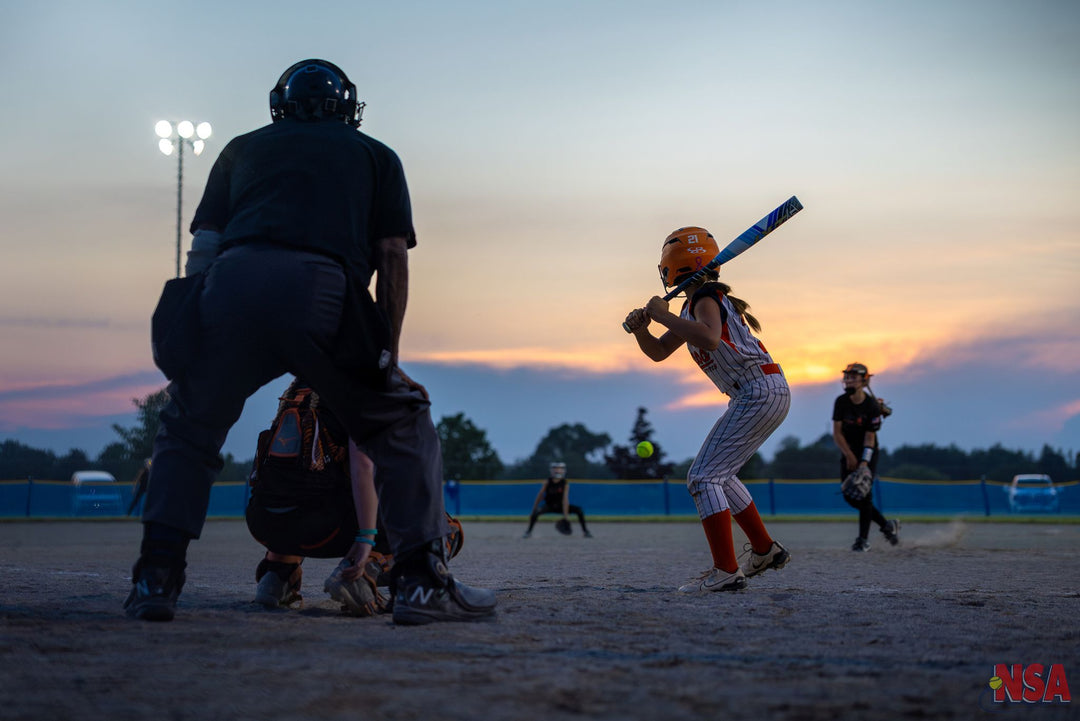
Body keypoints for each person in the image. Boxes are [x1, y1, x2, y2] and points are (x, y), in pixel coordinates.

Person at [124, 59, 495, 625]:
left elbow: (204, 247)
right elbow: (391, 257)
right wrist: (387, 359)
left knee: (188, 424)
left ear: (281, 106)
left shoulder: (241, 149)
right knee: (400, 421)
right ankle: (422, 583)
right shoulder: (375, 154)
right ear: (348, 108)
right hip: (321, 288)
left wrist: (194, 335)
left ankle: (156, 576)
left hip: (232, 283)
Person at [623, 226, 791, 593]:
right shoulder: (694, 305)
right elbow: (659, 352)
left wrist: (662, 316)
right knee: (720, 475)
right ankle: (764, 550)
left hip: (757, 391)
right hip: (761, 391)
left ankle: (726, 570)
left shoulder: (705, 298)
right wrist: (642, 331)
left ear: (672, 267)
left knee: (702, 478)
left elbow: (710, 339)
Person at [246, 379, 464, 615]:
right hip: (323, 525)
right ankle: (360, 574)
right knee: (443, 528)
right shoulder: (359, 384)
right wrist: (366, 537)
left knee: (300, 491)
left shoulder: (299, 388)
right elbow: (364, 464)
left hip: (263, 523)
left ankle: (277, 575)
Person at [832, 362, 900, 551]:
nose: (848, 380)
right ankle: (887, 525)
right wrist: (849, 455)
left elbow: (870, 437)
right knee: (850, 495)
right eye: (847, 377)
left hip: (867, 452)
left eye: (853, 377)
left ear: (864, 381)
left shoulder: (871, 406)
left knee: (864, 494)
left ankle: (862, 540)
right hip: (848, 449)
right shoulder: (841, 401)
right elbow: (837, 433)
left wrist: (863, 462)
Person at [522, 462, 593, 538]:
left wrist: (565, 517)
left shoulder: (564, 483)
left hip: (560, 506)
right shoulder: (548, 482)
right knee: (536, 512)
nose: (558, 470)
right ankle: (528, 532)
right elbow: (540, 495)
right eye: (555, 469)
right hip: (549, 506)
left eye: (560, 469)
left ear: (563, 471)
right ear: (552, 470)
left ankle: (585, 532)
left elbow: (565, 499)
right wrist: (534, 509)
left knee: (579, 510)